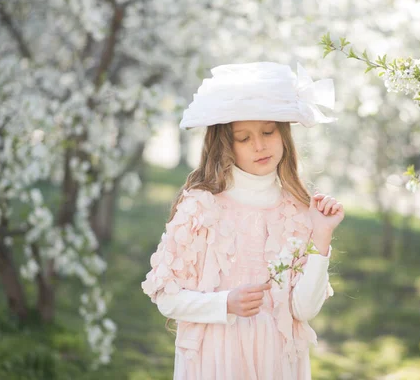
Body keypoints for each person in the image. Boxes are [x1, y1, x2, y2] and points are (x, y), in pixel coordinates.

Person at [141, 61, 345, 379]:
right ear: (226, 144)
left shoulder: (297, 211)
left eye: (267, 132)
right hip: (215, 359)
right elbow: (167, 298)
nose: (260, 145)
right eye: (244, 138)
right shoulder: (201, 207)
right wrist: (224, 303)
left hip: (277, 362)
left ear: (284, 135)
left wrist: (321, 236)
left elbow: (304, 310)